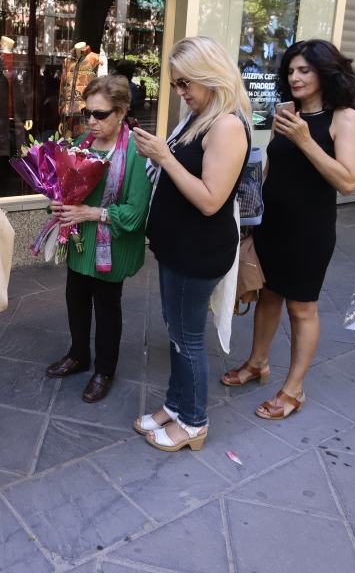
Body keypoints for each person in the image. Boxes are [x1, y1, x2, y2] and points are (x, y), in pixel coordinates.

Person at [223, 40, 355, 419]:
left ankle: (294, 388)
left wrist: (304, 139)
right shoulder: (287, 112)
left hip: (309, 229)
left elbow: (348, 181)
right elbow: (272, 166)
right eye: (290, 71)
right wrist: (251, 216)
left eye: (305, 70)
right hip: (272, 222)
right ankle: (257, 364)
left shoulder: (343, 117)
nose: (295, 77)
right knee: (268, 296)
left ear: (326, 72)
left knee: (302, 308)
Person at [131, 37, 251, 452]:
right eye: (177, 84)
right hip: (177, 246)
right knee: (177, 332)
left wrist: (164, 157)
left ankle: (195, 421)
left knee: (187, 337)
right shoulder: (199, 118)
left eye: (185, 84)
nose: (181, 93)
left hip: (197, 250)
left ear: (210, 76)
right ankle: (176, 404)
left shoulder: (227, 125)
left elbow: (210, 199)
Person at [45, 75, 154, 403]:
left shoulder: (138, 149)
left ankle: (105, 369)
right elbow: (67, 188)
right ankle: (78, 355)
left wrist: (90, 213)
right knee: (74, 298)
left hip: (113, 244)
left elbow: (135, 214)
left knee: (107, 307)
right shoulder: (81, 142)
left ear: (121, 112)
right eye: (87, 113)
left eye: (100, 114)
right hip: (80, 239)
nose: (91, 121)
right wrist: (58, 199)